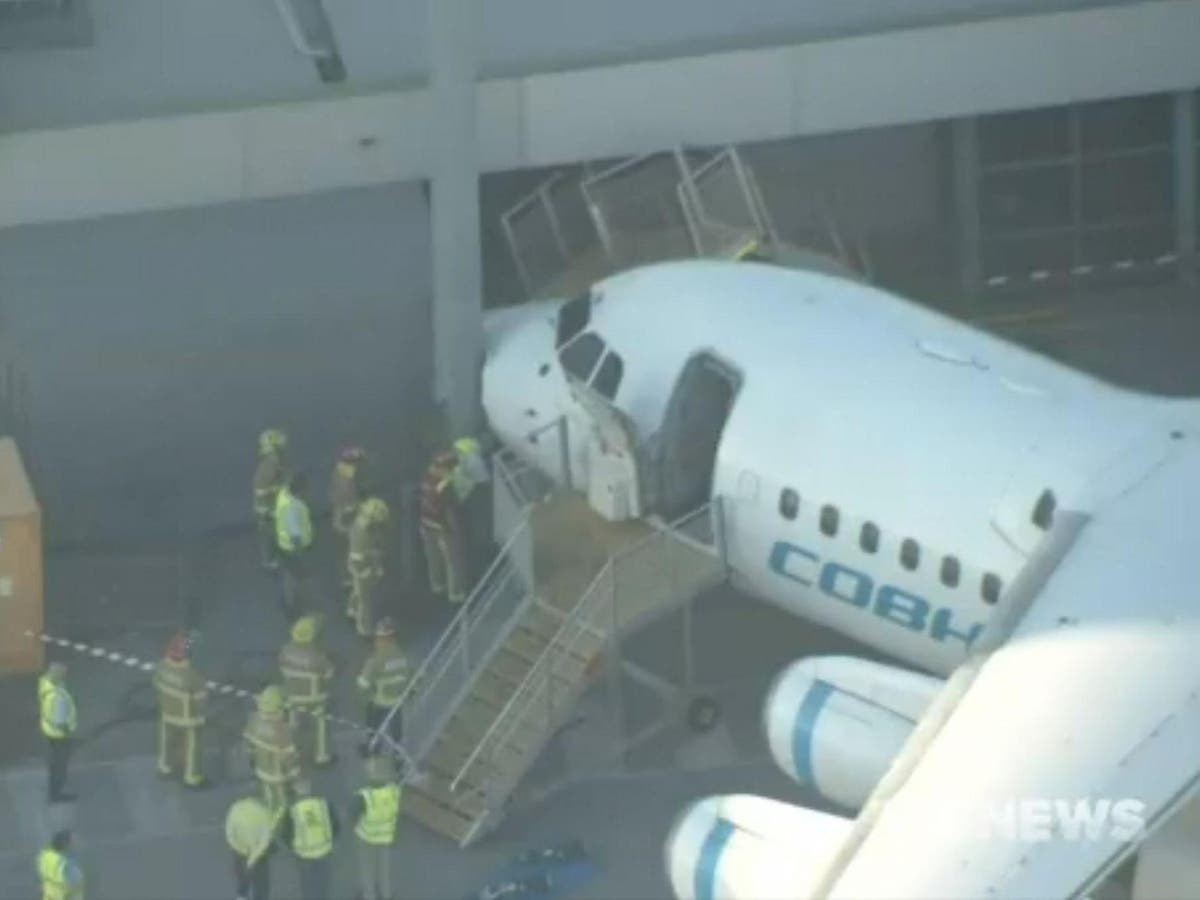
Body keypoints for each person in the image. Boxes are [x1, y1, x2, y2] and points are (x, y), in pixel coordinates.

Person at [419, 437, 489, 604]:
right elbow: (449, 509)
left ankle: (437, 586)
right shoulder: (446, 485)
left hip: (426, 522)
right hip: (444, 527)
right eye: (451, 467)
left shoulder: (429, 476)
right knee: (454, 560)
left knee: (433, 558)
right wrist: (454, 529)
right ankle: (456, 595)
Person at [153, 632, 208, 787]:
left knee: (167, 742)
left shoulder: (161, 667)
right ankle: (192, 777)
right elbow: (201, 698)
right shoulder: (192, 675)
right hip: (189, 718)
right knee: (192, 748)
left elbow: (157, 686)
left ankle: (165, 768)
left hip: (167, 714)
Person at [278, 615, 335, 767]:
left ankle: (291, 752)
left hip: (292, 697)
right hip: (316, 698)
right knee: (321, 725)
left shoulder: (285, 652)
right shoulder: (317, 656)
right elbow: (329, 674)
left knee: (292, 724)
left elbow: (282, 671)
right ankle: (322, 756)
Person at [356, 618, 409, 755]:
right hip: (398, 699)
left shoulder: (375, 660)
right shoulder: (402, 655)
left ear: (380, 639)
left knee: (373, 723)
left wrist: (360, 679)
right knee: (396, 729)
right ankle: (399, 754)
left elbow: (364, 684)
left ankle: (373, 746)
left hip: (380, 699)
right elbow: (409, 676)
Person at [351, 755, 402, 900]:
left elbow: (353, 814)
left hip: (366, 836)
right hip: (386, 836)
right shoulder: (394, 791)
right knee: (383, 869)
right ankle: (386, 895)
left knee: (367, 868)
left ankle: (369, 896)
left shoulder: (365, 796)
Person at [280, 778, 339, 900]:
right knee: (323, 886)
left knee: (308, 888)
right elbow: (336, 826)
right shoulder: (323, 804)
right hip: (324, 852)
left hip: (304, 855)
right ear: (310, 788)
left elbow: (284, 834)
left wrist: (293, 846)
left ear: (296, 790)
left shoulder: (293, 810)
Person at [243, 685, 299, 813]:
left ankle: (270, 813)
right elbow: (288, 757)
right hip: (279, 774)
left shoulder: (253, 720)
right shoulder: (282, 730)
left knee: (268, 796)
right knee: (282, 802)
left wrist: (252, 759)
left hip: (262, 770)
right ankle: (282, 822)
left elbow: (249, 745)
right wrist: (295, 774)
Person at [330, 445, 367, 606]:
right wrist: (361, 507)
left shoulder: (338, 473)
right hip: (346, 520)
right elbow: (350, 502)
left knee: (342, 550)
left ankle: (345, 577)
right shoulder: (347, 480)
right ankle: (350, 577)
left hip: (340, 518)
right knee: (350, 548)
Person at [347, 497, 389, 637]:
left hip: (359, 567)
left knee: (357, 590)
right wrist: (370, 572)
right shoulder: (362, 533)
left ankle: (352, 609)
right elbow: (359, 557)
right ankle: (365, 629)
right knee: (366, 601)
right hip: (363, 570)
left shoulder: (360, 523)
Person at [274, 472, 314, 621]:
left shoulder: (284, 495)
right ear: (300, 490)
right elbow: (295, 533)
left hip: (283, 546)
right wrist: (301, 554)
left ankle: (289, 603)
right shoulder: (293, 507)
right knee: (299, 579)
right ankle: (298, 610)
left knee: (288, 576)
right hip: (293, 549)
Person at [225, 795, 279, 900]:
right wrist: (253, 857)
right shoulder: (263, 812)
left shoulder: (235, 809)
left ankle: (242, 896)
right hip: (258, 854)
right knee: (261, 883)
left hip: (240, 850)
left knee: (242, 875)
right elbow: (265, 838)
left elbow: (229, 833)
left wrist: (237, 847)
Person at [38, 662, 77, 803]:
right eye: (63, 675)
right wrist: (68, 731)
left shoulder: (44, 682)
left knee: (55, 762)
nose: (66, 676)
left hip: (48, 730)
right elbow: (61, 723)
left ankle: (54, 789)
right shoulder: (58, 698)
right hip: (59, 736)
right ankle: (56, 793)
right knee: (59, 764)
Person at [253, 429, 289, 570]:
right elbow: (261, 491)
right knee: (269, 536)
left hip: (273, 507)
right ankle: (269, 561)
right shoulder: (268, 467)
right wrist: (278, 489)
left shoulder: (275, 463)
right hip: (267, 510)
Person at [37, 828, 83, 900]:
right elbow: (76, 883)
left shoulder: (45, 857)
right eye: (73, 842)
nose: (76, 844)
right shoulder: (67, 864)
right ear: (65, 844)